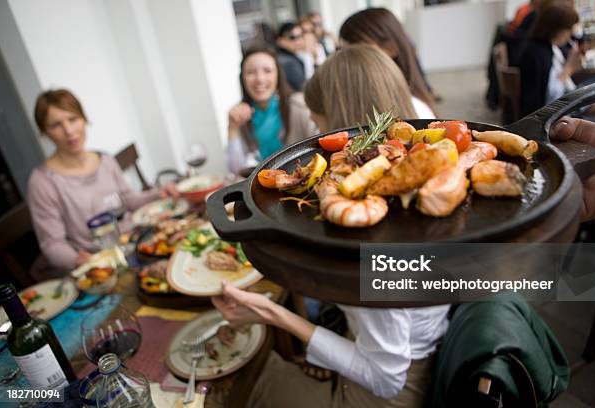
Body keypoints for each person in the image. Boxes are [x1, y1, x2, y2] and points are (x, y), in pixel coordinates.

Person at [213, 45, 449, 408]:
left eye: (319, 125)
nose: (316, 135)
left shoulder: (369, 242)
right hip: (420, 346)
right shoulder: (420, 186)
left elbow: (386, 379)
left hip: (387, 395)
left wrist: (270, 313)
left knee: (242, 390)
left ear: (345, 127)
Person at [27, 89, 177, 276]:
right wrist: (78, 259)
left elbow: (128, 199)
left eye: (73, 119)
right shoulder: (42, 182)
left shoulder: (105, 159)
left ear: (83, 119)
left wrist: (158, 193)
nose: (69, 131)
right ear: (45, 132)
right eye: (56, 125)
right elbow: (52, 244)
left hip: (133, 243)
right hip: (98, 263)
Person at [226, 45, 316, 175]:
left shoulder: (299, 105)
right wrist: (232, 127)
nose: (260, 79)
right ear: (242, 79)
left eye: (267, 71)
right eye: (251, 72)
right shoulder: (240, 115)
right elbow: (236, 170)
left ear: (278, 75)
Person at [519, 3, 595, 124]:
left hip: (568, 99)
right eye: (568, 30)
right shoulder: (538, 54)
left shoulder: (547, 48)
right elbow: (550, 101)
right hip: (555, 116)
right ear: (558, 29)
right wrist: (569, 69)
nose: (570, 35)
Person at [338, 7, 438, 117]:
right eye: (341, 50)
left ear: (390, 48)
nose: (345, 59)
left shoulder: (415, 109)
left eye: (357, 50)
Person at [275, 22, 307, 91]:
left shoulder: (290, 57)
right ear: (280, 40)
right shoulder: (288, 62)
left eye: (301, 36)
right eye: (293, 37)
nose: (299, 41)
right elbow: (304, 87)